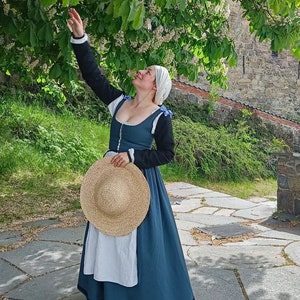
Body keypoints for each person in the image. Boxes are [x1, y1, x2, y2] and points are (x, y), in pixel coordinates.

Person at [67, 8, 195, 300]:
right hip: (110, 178)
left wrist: (134, 157)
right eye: (144, 69)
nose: (141, 71)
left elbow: (167, 153)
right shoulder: (118, 102)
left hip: (139, 183)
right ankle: (104, 290)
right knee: (106, 231)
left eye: (148, 72)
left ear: (155, 86)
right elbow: (92, 74)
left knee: (135, 242)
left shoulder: (160, 116)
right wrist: (80, 37)